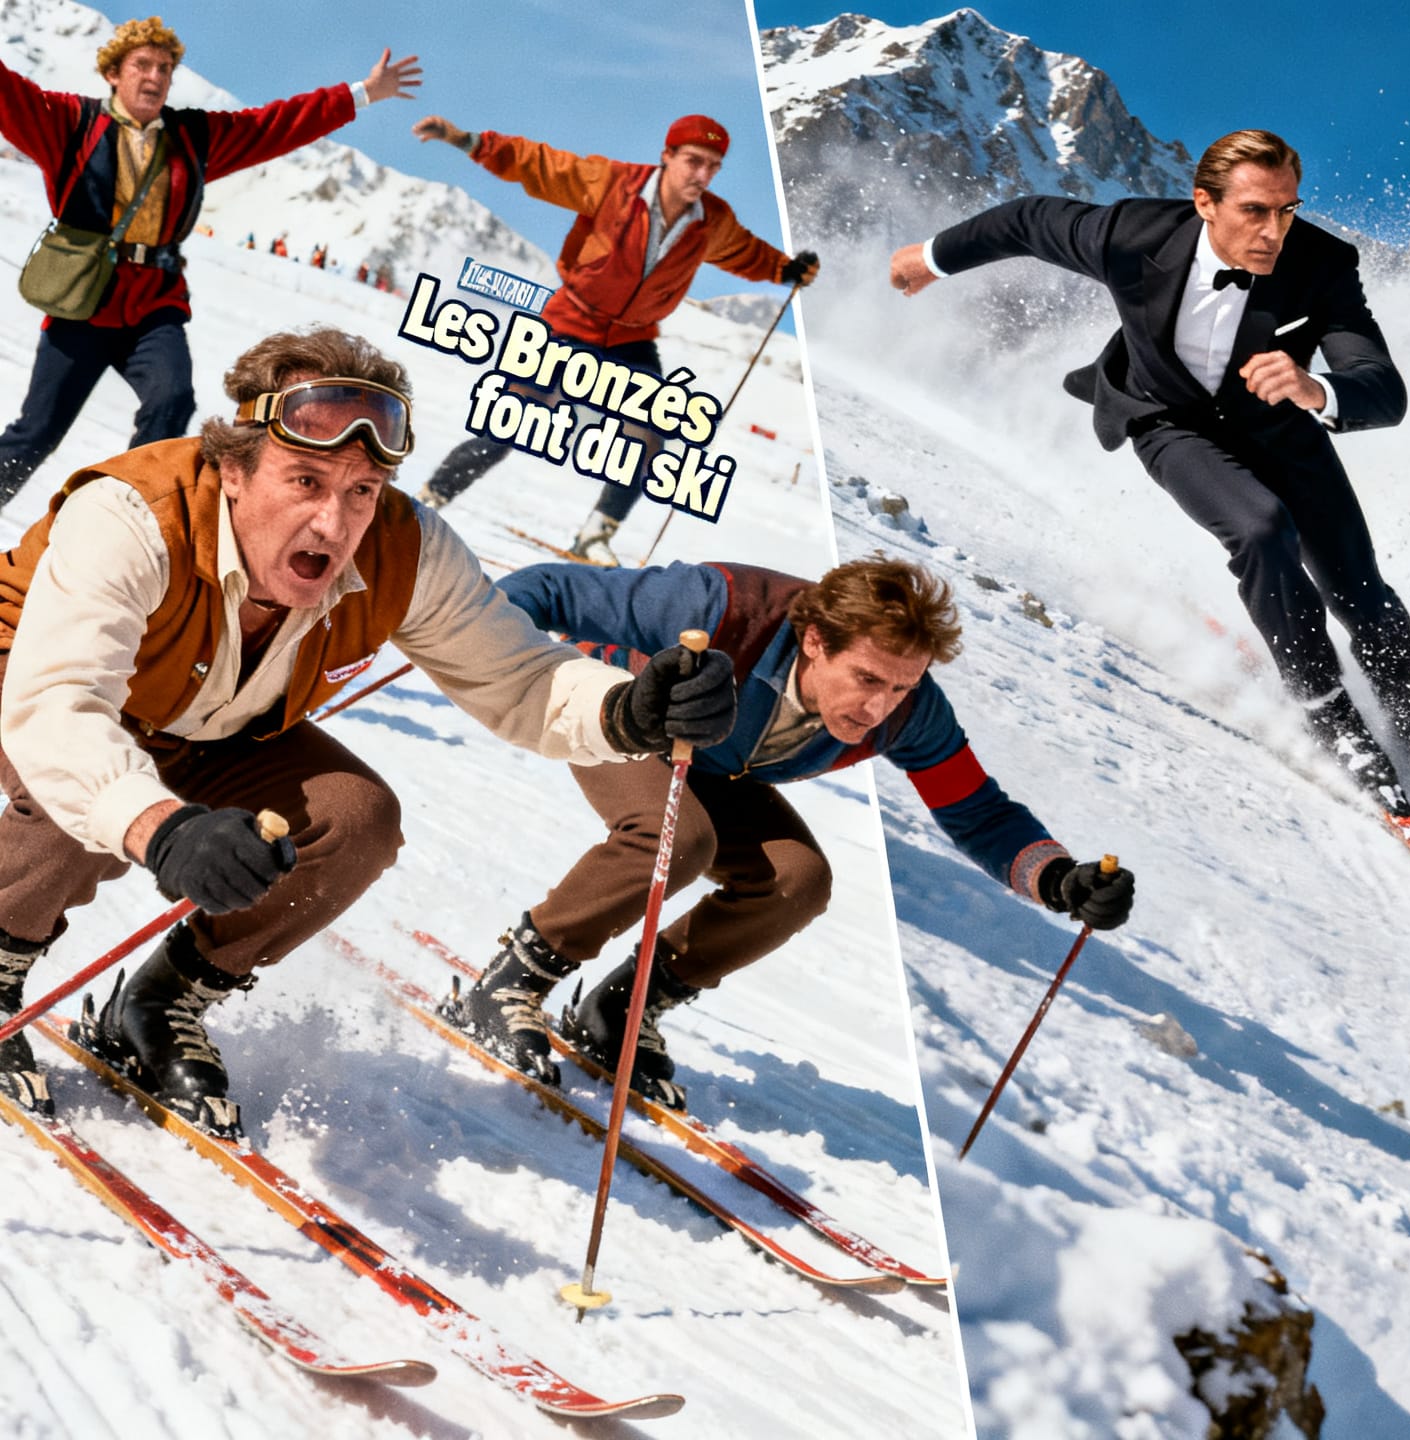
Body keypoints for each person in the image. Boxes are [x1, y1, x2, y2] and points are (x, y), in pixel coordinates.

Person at [0, 327, 738, 1138]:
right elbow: (58, 708)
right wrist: (162, 828)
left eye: (362, 489)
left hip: (218, 724)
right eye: (306, 479)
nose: (334, 518)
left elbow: (519, 676)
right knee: (96, 802)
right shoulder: (135, 514)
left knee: (355, 821)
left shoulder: (402, 547)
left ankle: (161, 1004)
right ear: (234, 468)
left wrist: (628, 709)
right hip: (30, 684)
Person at [888, 129, 1410, 826]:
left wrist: (1316, 388)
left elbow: (1382, 389)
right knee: (1261, 530)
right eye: (1255, 212)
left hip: (1281, 428)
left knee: (1364, 596)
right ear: (1205, 203)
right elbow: (1027, 220)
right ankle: (1333, 721)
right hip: (1167, 421)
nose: (1274, 231)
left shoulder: (1324, 264)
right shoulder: (1131, 234)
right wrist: (932, 257)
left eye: (1287, 211)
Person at [442, 554, 1132, 1109]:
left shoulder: (908, 711)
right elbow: (547, 588)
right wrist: (506, 673)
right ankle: (508, 984)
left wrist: (1057, 879)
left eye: (900, 686)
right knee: (674, 840)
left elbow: (976, 809)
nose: (878, 706)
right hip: (620, 717)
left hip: (715, 763)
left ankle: (619, 1012)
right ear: (813, 640)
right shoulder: (720, 606)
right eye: (866, 678)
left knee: (798, 881)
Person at [0, 17, 421, 510]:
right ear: (113, 72)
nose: (155, 77)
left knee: (171, 402)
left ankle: (126, 516)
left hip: (154, 305)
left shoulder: (193, 138)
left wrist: (361, 94)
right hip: (82, 300)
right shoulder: (70, 123)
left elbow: (274, 125)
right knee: (37, 431)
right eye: (142, 65)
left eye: (165, 68)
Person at [408, 111, 819, 561]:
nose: (702, 175)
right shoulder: (613, 184)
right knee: (513, 417)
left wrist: (785, 269)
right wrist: (466, 140)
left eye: (712, 167)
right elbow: (541, 166)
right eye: (693, 161)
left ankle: (595, 536)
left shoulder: (712, 221)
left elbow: (744, 251)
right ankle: (429, 503)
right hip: (571, 319)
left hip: (631, 337)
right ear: (667, 156)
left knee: (649, 431)